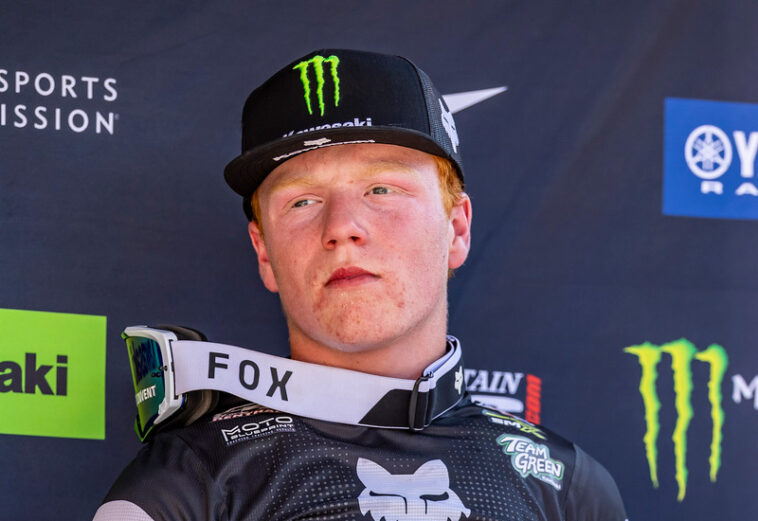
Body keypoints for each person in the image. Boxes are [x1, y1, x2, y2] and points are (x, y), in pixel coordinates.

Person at [94, 49, 627, 521]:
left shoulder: (570, 489)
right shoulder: (187, 481)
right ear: (264, 252)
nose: (342, 227)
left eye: (381, 188)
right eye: (302, 200)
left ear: (457, 229)